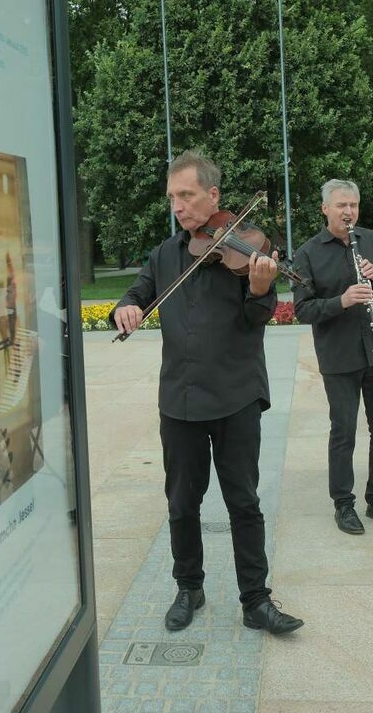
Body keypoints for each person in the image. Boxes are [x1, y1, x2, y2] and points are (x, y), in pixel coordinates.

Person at [111, 151, 303, 636]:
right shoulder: (164, 254)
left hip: (236, 396)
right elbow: (137, 292)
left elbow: (256, 321)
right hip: (179, 400)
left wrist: (261, 290)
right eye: (173, 197)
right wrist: (126, 308)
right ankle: (188, 587)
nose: (178, 205)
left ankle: (256, 601)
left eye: (187, 195)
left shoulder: (245, 251)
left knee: (243, 501)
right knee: (181, 502)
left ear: (214, 196)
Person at [291, 179, 373, 535]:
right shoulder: (308, 253)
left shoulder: (372, 241)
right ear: (325, 208)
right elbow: (302, 309)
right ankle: (343, 504)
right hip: (339, 356)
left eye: (353, 205)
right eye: (341, 205)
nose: (348, 212)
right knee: (344, 431)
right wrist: (341, 301)